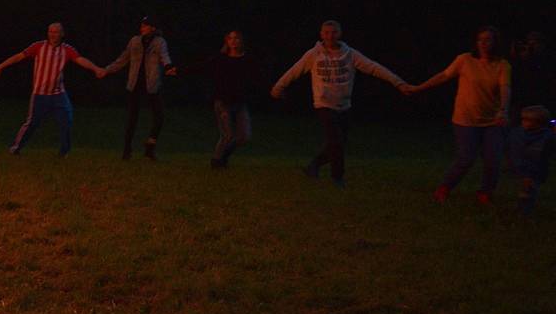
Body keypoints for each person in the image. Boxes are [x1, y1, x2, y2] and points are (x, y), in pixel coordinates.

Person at [271, 20, 410, 188]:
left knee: (338, 144)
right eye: (327, 32)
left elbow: (374, 67)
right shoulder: (314, 54)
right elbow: (295, 70)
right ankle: (337, 178)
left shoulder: (350, 54)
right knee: (336, 142)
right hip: (323, 104)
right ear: (321, 35)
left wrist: (398, 83)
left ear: (340, 34)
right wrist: (279, 86)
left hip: (344, 105)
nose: (330, 36)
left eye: (334, 32)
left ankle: (313, 165)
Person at [406, 26, 511, 205]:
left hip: (492, 120)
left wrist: (503, 109)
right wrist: (419, 88)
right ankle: (444, 188)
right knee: (466, 158)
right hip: (465, 119)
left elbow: (505, 88)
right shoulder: (465, 60)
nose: (484, 44)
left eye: (488, 40)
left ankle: (485, 193)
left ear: (495, 43)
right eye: (480, 40)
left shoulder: (502, 65)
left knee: (493, 159)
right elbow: (444, 76)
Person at [0, 22, 106, 156]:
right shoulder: (39, 46)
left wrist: (96, 69)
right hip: (40, 94)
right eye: (51, 32)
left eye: (56, 32)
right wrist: (0, 67)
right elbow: (19, 56)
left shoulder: (66, 49)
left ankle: (64, 151)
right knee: (32, 122)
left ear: (62, 34)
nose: (53, 35)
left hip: (58, 93)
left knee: (66, 119)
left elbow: (80, 60)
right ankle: (16, 147)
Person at [168, 30, 261, 168]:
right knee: (227, 135)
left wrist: (275, 89)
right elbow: (201, 66)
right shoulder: (221, 59)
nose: (234, 41)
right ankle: (216, 161)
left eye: (236, 38)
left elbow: (257, 77)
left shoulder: (247, 59)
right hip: (223, 102)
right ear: (227, 42)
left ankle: (224, 155)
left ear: (241, 41)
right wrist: (179, 71)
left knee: (244, 136)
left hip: (240, 103)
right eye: (230, 38)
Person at [104, 16, 175, 160]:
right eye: (141, 25)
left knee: (159, 117)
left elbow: (165, 56)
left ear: (152, 28)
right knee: (132, 118)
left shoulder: (159, 42)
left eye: (145, 25)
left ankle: (150, 146)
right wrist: (106, 70)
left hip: (152, 85)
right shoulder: (135, 41)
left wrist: (168, 66)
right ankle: (127, 150)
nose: (141, 28)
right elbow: (123, 59)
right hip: (135, 85)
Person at [509, 105, 554, 214]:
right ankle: (521, 210)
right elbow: (514, 151)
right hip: (521, 167)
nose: (524, 122)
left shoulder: (546, 137)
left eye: (528, 120)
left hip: (536, 169)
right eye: (523, 119)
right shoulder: (518, 134)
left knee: (530, 191)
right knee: (523, 190)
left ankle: (525, 212)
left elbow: (545, 155)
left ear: (539, 123)